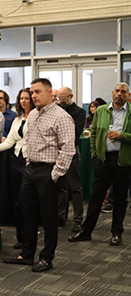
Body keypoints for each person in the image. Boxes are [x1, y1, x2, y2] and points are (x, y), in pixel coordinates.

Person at [3, 78, 75, 273]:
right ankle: (27, 254)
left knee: (49, 218)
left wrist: (55, 174)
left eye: (37, 92)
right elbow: (30, 143)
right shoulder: (33, 115)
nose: (33, 96)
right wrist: (28, 164)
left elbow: (68, 149)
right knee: (28, 213)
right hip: (31, 168)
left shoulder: (62, 116)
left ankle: (47, 258)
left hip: (49, 171)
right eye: (32, 92)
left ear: (50, 92)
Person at [69, 83, 131, 247]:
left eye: (123, 92)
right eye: (117, 91)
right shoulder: (102, 110)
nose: (119, 94)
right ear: (112, 93)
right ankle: (86, 231)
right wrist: (95, 155)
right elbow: (94, 132)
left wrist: (121, 135)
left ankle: (116, 233)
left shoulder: (130, 112)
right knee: (96, 197)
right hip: (103, 159)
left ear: (128, 96)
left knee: (120, 198)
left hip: (123, 160)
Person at [0, 88, 35, 249]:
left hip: (29, 162)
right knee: (16, 202)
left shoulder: (36, 117)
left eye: (26, 98)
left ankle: (29, 237)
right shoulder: (18, 118)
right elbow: (10, 141)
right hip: (15, 161)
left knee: (25, 202)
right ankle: (21, 237)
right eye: (21, 98)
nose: (23, 101)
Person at [56, 87, 86, 231]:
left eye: (63, 98)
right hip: (57, 152)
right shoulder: (57, 111)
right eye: (58, 98)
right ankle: (60, 216)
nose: (60, 101)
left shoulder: (79, 112)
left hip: (72, 152)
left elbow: (76, 132)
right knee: (60, 186)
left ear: (71, 96)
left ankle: (78, 219)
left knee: (75, 188)